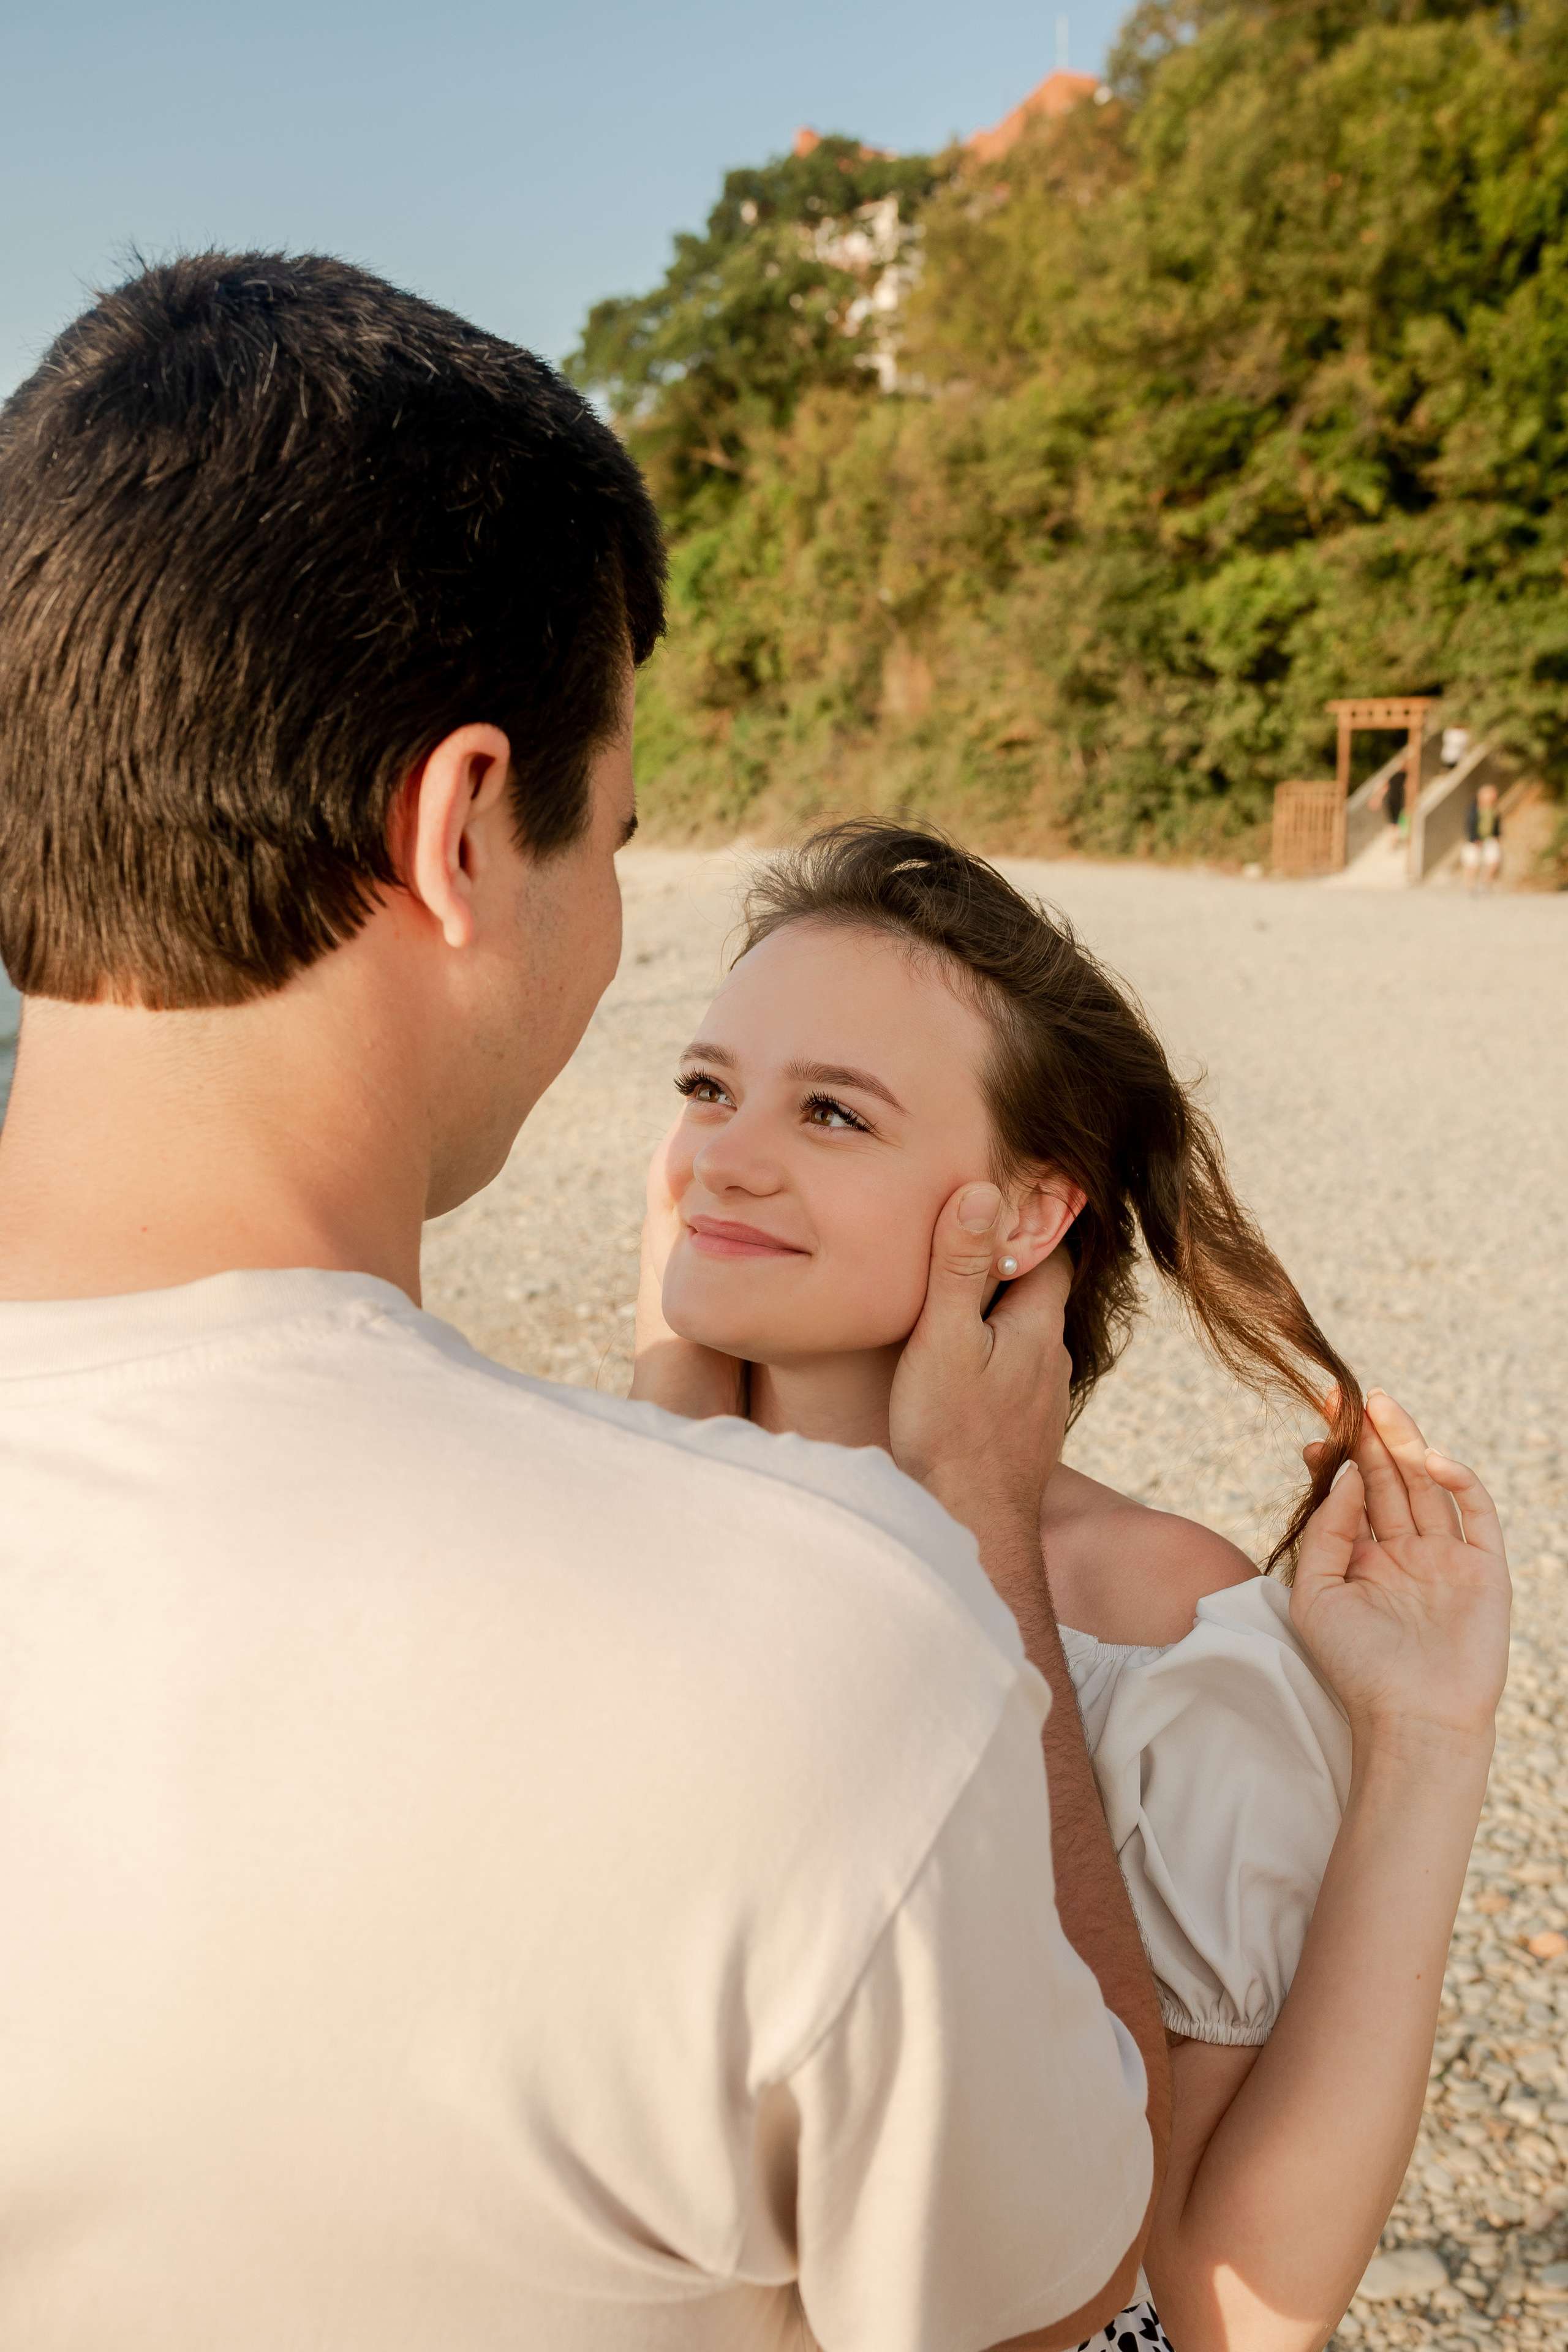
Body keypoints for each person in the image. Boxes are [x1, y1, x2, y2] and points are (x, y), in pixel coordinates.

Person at [0, 258, 1167, 2349]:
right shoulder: (829, 1653)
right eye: (610, 842)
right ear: (461, 828)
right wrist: (937, 1545)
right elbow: (1056, 2286)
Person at [632, 822, 1512, 2352]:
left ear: (1031, 1216)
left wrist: (1429, 1739)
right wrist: (665, 1420)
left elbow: (1229, 2307)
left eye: (831, 1111)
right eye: (707, 1086)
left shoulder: (1150, 1620)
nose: (723, 1154)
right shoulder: (584, 1496)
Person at [1462, 781, 1504, 893]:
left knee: (1494, 860)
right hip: (1474, 839)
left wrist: (1497, 836)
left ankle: (1485, 884)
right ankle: (1470, 886)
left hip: (1489, 838)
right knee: (1472, 863)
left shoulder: (1494, 809)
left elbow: (1496, 824)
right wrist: (1474, 839)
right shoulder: (1474, 808)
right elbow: (1470, 824)